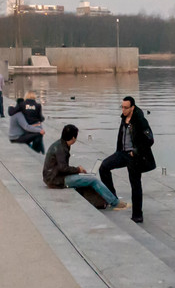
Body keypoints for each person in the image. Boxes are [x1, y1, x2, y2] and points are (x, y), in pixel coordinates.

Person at [99, 96, 155, 224]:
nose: (123, 110)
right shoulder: (123, 118)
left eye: (126, 108)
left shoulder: (140, 120)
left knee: (135, 185)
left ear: (132, 108)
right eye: (122, 107)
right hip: (121, 153)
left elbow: (150, 140)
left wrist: (135, 151)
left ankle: (137, 215)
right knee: (104, 167)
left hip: (134, 156)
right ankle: (112, 198)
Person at [43, 124, 128, 209]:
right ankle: (115, 203)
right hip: (56, 180)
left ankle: (103, 201)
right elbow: (63, 168)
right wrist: (78, 169)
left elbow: (61, 167)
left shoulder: (60, 144)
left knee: (87, 178)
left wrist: (77, 170)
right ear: (73, 138)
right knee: (93, 180)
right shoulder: (61, 148)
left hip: (53, 177)